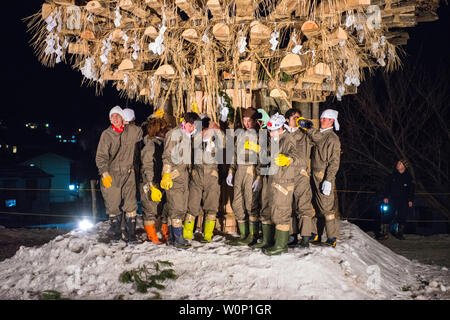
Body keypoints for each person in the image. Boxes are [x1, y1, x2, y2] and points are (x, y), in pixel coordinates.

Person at [95, 105, 143, 244]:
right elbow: (101, 156)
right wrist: (104, 173)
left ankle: (132, 235)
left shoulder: (131, 131)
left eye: (117, 116)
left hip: (128, 173)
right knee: (113, 205)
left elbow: (141, 132)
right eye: (112, 116)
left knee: (131, 205)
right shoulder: (107, 134)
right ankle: (116, 234)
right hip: (112, 174)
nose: (114, 118)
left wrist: (132, 123)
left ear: (123, 118)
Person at [298, 109, 341, 248]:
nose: (321, 120)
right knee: (313, 205)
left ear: (331, 121)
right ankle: (314, 233)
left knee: (327, 208)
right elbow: (315, 137)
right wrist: (308, 128)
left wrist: (329, 179)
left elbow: (335, 162)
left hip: (323, 176)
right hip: (313, 174)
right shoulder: (321, 134)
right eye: (321, 118)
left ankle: (332, 237)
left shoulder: (332, 138)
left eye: (325, 119)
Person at [262, 113, 302, 255]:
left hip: (283, 182)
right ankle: (271, 241)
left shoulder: (288, 139)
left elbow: (297, 157)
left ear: (280, 129)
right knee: (270, 211)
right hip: (273, 180)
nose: (269, 133)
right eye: (269, 130)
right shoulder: (274, 140)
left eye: (272, 131)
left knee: (282, 213)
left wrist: (288, 159)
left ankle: (281, 245)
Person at [160, 112, 201, 249]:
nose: (195, 129)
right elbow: (167, 156)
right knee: (178, 208)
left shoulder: (186, 135)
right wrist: (166, 174)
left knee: (179, 208)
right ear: (189, 124)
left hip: (183, 176)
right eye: (194, 126)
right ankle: (178, 239)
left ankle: (172, 237)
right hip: (174, 177)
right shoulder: (174, 134)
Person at [184, 116, 223, 243]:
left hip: (212, 177)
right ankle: (188, 233)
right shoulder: (194, 140)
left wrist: (217, 129)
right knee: (192, 205)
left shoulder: (217, 140)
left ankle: (207, 234)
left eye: (206, 130)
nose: (203, 133)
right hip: (197, 176)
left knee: (211, 206)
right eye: (201, 130)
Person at [227, 107, 262, 246]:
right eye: (245, 120)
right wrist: (231, 170)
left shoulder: (260, 136)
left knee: (251, 204)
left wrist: (259, 177)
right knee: (236, 203)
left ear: (255, 121)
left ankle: (253, 236)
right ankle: (244, 234)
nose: (247, 123)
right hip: (239, 170)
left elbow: (262, 157)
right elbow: (234, 154)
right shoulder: (240, 134)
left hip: (251, 171)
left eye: (250, 121)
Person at [283, 108, 314, 248]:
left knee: (303, 205)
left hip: (301, 174)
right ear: (287, 119)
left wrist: (309, 127)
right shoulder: (282, 134)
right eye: (295, 117)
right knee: (287, 205)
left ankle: (306, 236)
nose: (297, 120)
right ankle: (291, 235)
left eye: (299, 118)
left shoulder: (304, 134)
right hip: (285, 174)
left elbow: (317, 139)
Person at [140, 115, 170, 244]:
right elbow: (147, 166)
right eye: (164, 129)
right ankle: (152, 237)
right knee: (150, 210)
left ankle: (165, 234)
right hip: (150, 182)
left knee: (163, 210)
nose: (167, 131)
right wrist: (151, 185)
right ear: (157, 130)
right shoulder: (150, 146)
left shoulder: (161, 144)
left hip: (159, 180)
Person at [380, 159, 415, 240]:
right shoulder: (392, 176)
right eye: (398, 163)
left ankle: (400, 233)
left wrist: (411, 200)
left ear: (404, 166)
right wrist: (385, 197)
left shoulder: (408, 177)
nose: (397, 164)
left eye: (400, 163)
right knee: (388, 215)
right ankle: (384, 233)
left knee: (402, 216)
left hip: (404, 200)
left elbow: (411, 190)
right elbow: (387, 187)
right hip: (392, 199)